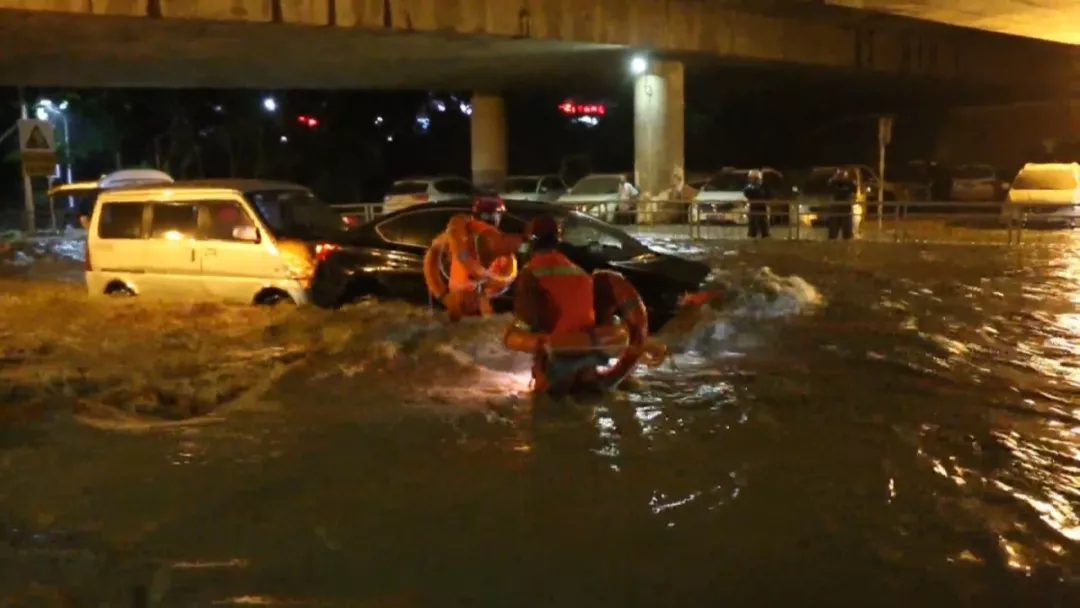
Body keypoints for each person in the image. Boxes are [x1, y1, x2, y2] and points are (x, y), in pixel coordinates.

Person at [513, 214, 606, 395]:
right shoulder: (578, 271)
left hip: (558, 354)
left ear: (531, 241)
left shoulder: (531, 273)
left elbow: (531, 323)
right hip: (589, 355)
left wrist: (516, 336)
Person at [441, 195, 523, 321]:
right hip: (473, 298)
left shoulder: (462, 234)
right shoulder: (489, 241)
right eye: (499, 215)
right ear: (494, 217)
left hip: (462, 297)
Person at [827, 167, 857, 240]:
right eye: (839, 173)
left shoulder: (849, 182)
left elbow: (854, 189)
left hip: (844, 208)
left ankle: (845, 242)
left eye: (842, 173)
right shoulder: (833, 182)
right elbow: (829, 187)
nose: (841, 174)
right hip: (837, 208)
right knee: (833, 231)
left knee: (846, 232)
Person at [744, 169, 771, 239]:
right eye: (751, 178)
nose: (752, 180)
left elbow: (768, 195)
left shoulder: (764, 187)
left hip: (762, 209)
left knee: (763, 226)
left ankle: (764, 238)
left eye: (754, 178)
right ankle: (753, 238)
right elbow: (747, 193)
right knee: (752, 227)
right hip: (753, 209)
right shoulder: (749, 187)